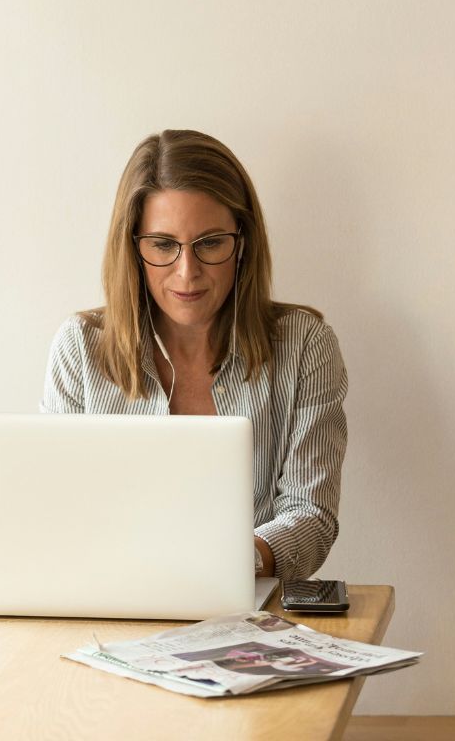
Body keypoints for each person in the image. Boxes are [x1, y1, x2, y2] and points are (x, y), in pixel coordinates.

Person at [41, 129, 347, 581]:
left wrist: (225, 564)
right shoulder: (80, 348)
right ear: (133, 248)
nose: (187, 273)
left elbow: (312, 517)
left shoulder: (304, 346)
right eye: (163, 245)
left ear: (241, 242)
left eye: (209, 243)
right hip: (108, 604)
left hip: (249, 613)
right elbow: (56, 513)